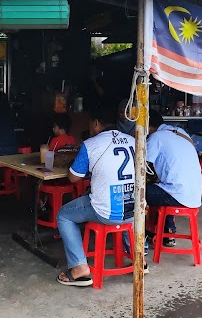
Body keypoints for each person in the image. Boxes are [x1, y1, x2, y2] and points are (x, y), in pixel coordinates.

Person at [56, 107, 137, 287]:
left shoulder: (91, 144)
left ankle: (79, 268)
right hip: (133, 210)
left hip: (106, 211)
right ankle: (138, 258)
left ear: (96, 123)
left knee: (63, 215)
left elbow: (73, 178)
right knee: (126, 204)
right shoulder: (133, 140)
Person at [146, 110, 202, 247]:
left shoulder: (156, 137)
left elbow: (140, 164)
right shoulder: (180, 132)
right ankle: (168, 233)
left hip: (177, 194)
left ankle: (141, 238)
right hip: (195, 193)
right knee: (164, 187)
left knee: (136, 193)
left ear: (147, 126)